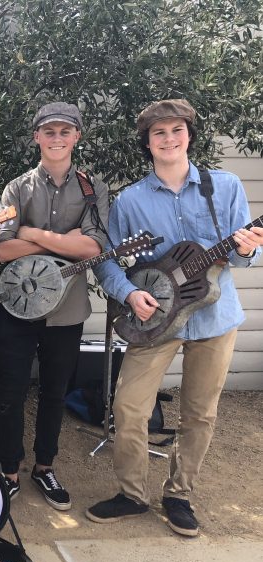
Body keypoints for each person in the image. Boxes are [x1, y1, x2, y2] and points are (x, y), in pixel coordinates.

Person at [87, 99, 263, 536]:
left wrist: (246, 248)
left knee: (199, 413)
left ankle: (179, 493)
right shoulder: (131, 200)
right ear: (148, 143)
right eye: (159, 133)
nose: (169, 139)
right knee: (128, 407)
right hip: (157, 320)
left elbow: (245, 255)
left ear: (189, 135)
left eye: (176, 130)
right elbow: (108, 262)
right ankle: (131, 495)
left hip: (215, 318)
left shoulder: (224, 186)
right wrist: (130, 294)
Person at [0, 102, 109, 510]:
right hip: (17, 304)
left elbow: (94, 246)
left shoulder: (92, 188)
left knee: (55, 392)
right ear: (37, 137)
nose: (57, 138)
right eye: (49, 131)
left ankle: (44, 467)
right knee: (10, 390)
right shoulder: (16, 188)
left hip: (67, 309)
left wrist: (34, 233)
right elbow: (4, 248)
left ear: (77, 136)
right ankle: (8, 470)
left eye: (65, 131)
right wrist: (65, 240)